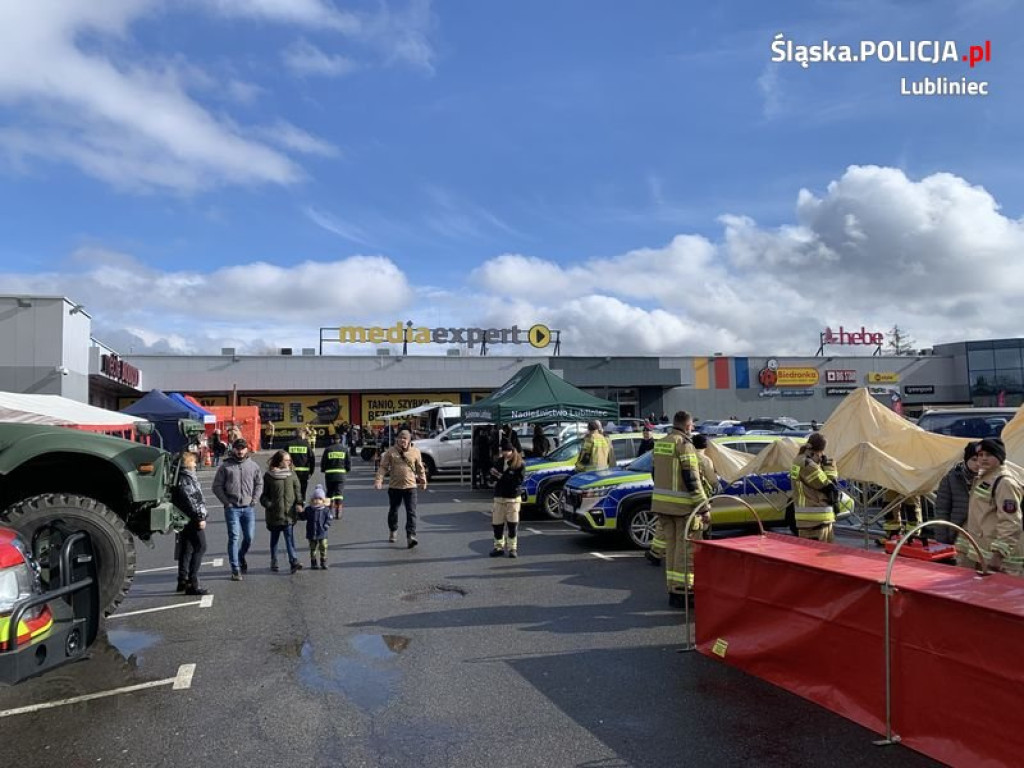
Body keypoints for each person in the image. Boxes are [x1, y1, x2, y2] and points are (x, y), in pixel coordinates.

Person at [650, 411, 709, 607]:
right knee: (686, 551)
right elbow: (691, 478)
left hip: (662, 505)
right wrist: (704, 506)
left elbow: (654, 473)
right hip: (683, 507)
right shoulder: (685, 445)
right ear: (686, 426)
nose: (692, 429)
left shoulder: (661, 443)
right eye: (691, 425)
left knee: (672, 548)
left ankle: (673, 590)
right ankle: (684, 592)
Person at [955, 437, 1024, 576]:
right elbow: (978, 516)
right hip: (982, 553)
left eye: (989, 455)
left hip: (1002, 561)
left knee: (1002, 596)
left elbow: (1011, 522)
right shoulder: (983, 479)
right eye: (980, 455)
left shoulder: (1005, 483)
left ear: (1000, 457)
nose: (983, 459)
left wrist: (998, 555)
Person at [212, 438, 263, 581]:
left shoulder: (253, 466)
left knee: (249, 537)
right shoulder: (226, 466)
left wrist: (254, 500)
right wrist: (226, 502)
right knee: (234, 537)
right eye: (237, 448)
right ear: (233, 449)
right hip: (232, 508)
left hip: (248, 508)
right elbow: (216, 486)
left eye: (242, 448)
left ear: (246, 449)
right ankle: (235, 569)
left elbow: (259, 484)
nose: (240, 451)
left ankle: (241, 556)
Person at [374, 429, 428, 548]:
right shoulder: (391, 452)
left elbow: (420, 467)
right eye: (400, 438)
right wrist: (379, 481)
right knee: (393, 510)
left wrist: (423, 480)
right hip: (395, 487)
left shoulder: (415, 452)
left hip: (410, 487)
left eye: (405, 439)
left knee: (411, 512)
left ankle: (411, 536)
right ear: (397, 439)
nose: (402, 441)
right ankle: (393, 530)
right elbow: (383, 467)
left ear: (409, 440)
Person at [788, 432, 840, 542]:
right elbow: (828, 485)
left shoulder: (800, 460)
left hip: (816, 521)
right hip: (814, 520)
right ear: (820, 450)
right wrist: (830, 467)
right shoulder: (806, 463)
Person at [260, 449, 303, 574]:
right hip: (274, 514)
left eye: (290, 460)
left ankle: (293, 561)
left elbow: (297, 491)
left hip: (288, 514)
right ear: (279, 461)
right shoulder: (269, 476)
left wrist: (299, 503)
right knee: (275, 539)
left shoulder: (292, 474)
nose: (289, 462)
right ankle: (274, 560)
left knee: (289, 538)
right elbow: (264, 496)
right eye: (286, 460)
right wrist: (269, 505)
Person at [172, 451, 209, 595]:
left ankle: (182, 579)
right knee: (200, 547)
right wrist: (200, 517)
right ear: (187, 463)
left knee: (187, 549)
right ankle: (192, 583)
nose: (195, 464)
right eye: (193, 461)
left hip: (183, 517)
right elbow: (192, 499)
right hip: (191, 517)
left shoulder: (179, 477)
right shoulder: (186, 478)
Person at [933, 441, 980, 544]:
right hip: (957, 534)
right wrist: (942, 541)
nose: (977, 464)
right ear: (966, 459)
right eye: (974, 459)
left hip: (981, 536)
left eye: (980, 460)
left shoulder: (988, 479)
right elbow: (942, 511)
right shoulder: (950, 479)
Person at [488, 440, 526, 558]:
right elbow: (493, 478)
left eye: (507, 451)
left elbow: (517, 481)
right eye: (503, 451)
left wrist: (501, 476)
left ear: (512, 451)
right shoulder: (499, 461)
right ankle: (498, 547)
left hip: (512, 498)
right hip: (499, 496)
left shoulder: (519, 464)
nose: (505, 453)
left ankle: (512, 548)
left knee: (512, 524)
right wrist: (492, 475)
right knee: (497, 523)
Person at [321, 434, 351, 520]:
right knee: (339, 494)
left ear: (332, 440)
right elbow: (348, 462)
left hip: (330, 475)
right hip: (341, 475)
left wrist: (324, 470)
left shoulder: (328, 449)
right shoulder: (344, 449)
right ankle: (338, 511)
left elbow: (324, 462)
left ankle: (328, 511)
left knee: (329, 493)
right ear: (340, 440)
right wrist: (347, 470)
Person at [303, 484, 332, 570]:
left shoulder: (326, 510)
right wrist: (299, 513)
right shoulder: (309, 509)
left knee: (323, 546)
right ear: (312, 500)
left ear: (323, 500)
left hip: (322, 532)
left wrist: (326, 525)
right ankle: (313, 561)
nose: (317, 501)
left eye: (319, 499)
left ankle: (323, 560)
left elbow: (329, 518)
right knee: (313, 548)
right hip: (311, 532)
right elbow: (303, 516)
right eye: (315, 499)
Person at [287, 429, 316, 501]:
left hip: (291, 472)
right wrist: (311, 472)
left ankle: (293, 508)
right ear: (302, 435)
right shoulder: (306, 445)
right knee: (302, 492)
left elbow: (282, 457)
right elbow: (312, 459)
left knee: (292, 491)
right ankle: (302, 506)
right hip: (304, 474)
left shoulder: (289, 444)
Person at [692, 433, 720, 498]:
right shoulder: (706, 460)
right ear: (705, 445)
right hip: (702, 492)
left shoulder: (689, 456)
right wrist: (716, 485)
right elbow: (712, 480)